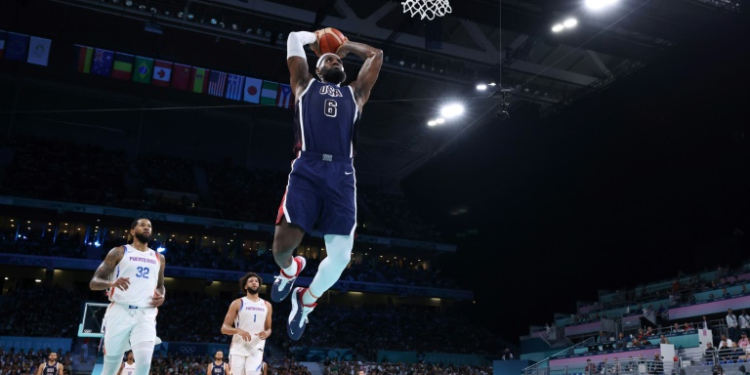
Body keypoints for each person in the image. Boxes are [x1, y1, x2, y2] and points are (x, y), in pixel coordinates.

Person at [270, 27, 383, 340]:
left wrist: (346, 45)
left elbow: (377, 55)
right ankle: (290, 270)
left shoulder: (356, 94)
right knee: (280, 250)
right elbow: (293, 37)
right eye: (328, 59)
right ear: (316, 67)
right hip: (307, 169)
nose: (336, 62)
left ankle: (306, 300)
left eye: (339, 61)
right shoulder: (303, 84)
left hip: (342, 176)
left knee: (342, 258)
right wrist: (316, 35)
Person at [89, 218, 166, 375]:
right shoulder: (119, 252)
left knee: (144, 363)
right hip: (120, 310)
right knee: (111, 367)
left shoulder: (159, 258)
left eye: (149, 226)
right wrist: (112, 283)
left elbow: (160, 285)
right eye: (142, 225)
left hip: (146, 313)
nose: (147, 228)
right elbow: (94, 282)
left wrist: (162, 295)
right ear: (132, 231)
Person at [221, 272, 272, 375]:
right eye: (251, 281)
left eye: (256, 281)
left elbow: (268, 329)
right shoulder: (238, 303)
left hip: (256, 348)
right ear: (245, 286)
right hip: (238, 347)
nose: (254, 283)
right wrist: (237, 330)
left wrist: (267, 333)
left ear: (259, 285)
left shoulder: (267, 305)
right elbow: (224, 328)